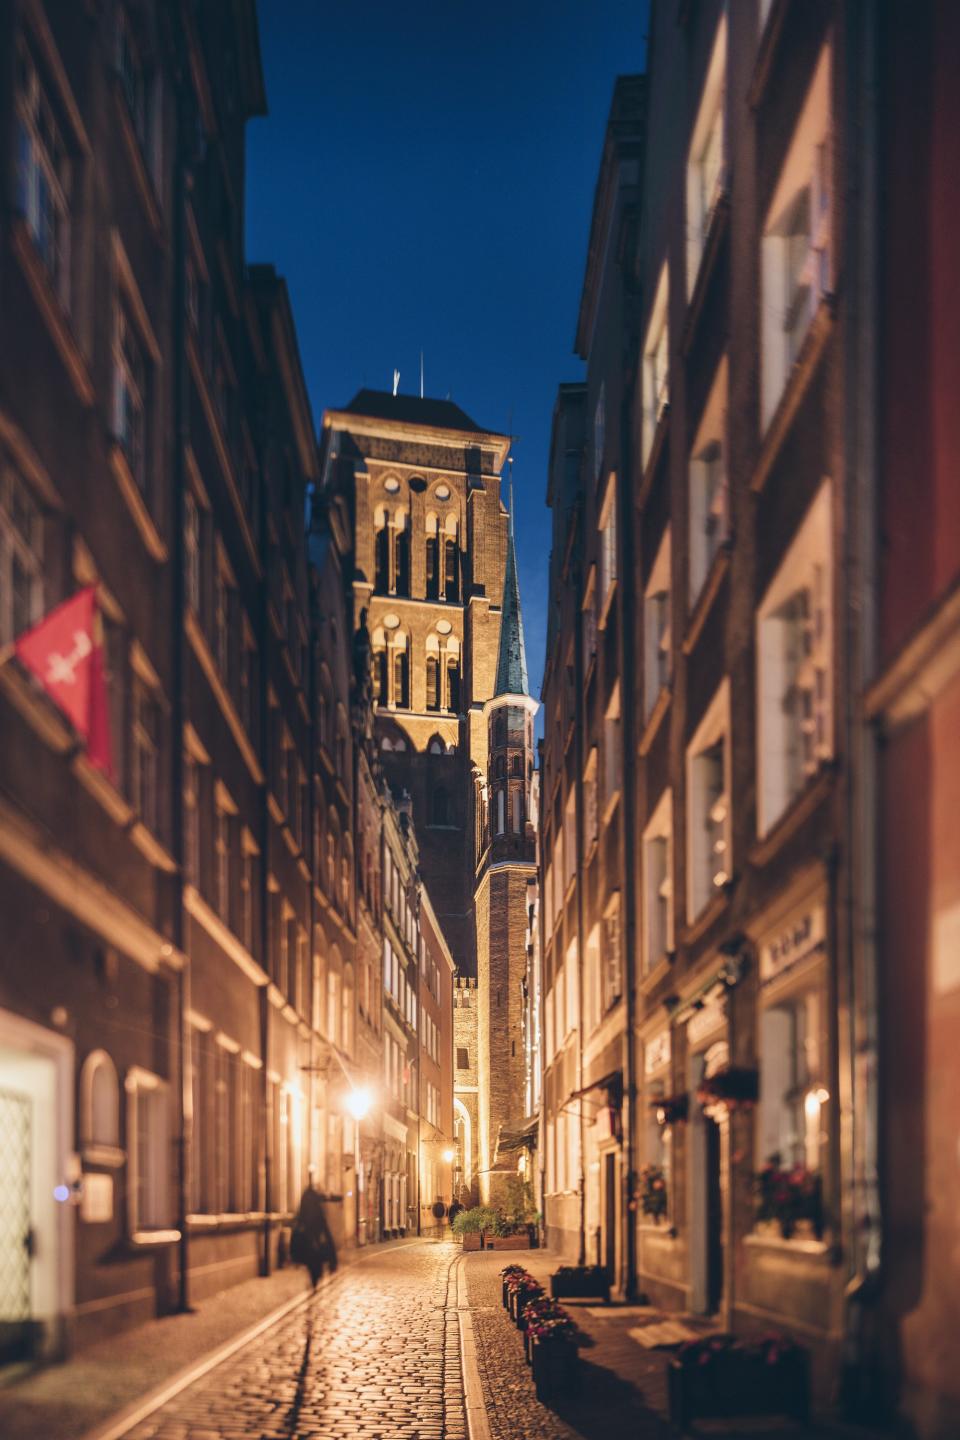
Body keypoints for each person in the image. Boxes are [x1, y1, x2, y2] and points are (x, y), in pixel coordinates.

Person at [290, 1182, 337, 1287]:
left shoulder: (304, 1208)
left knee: (312, 1261)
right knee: (316, 1260)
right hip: (316, 1239)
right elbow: (325, 1228)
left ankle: (314, 1280)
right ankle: (316, 1278)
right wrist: (332, 1260)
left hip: (308, 1240)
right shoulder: (317, 1208)